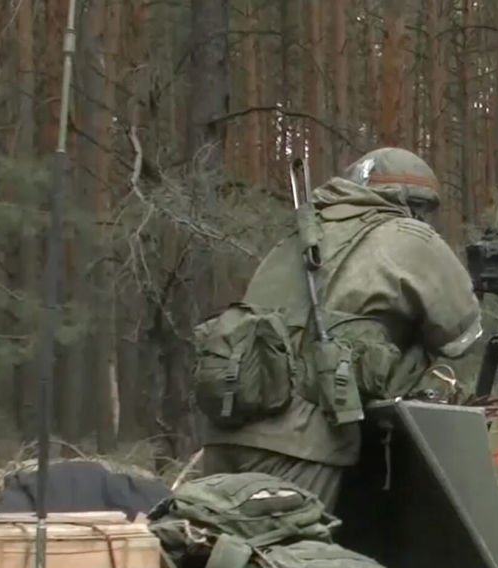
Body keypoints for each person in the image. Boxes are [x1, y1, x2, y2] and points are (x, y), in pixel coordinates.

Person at [200, 147, 483, 510]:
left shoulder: (301, 235)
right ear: (417, 204)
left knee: (213, 555)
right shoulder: (408, 235)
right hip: (300, 445)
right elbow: (461, 334)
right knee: (285, 561)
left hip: (224, 434)